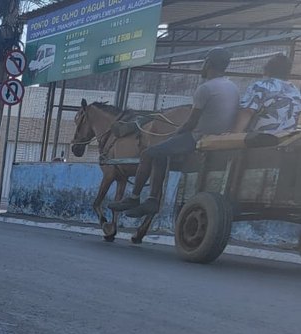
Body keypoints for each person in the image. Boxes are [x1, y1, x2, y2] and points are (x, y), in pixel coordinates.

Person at [110, 48, 239, 218]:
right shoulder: (232, 87)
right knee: (160, 153)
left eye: (204, 62)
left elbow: (192, 122)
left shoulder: (205, 88)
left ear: (208, 63)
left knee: (149, 153)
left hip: (198, 137)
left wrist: (176, 133)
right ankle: (151, 200)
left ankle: (135, 198)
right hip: (221, 136)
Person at [234, 53, 301, 134]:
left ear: (267, 70)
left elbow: (247, 111)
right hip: (285, 141)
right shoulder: (296, 92)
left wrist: (234, 135)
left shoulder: (261, 87)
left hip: (259, 141)